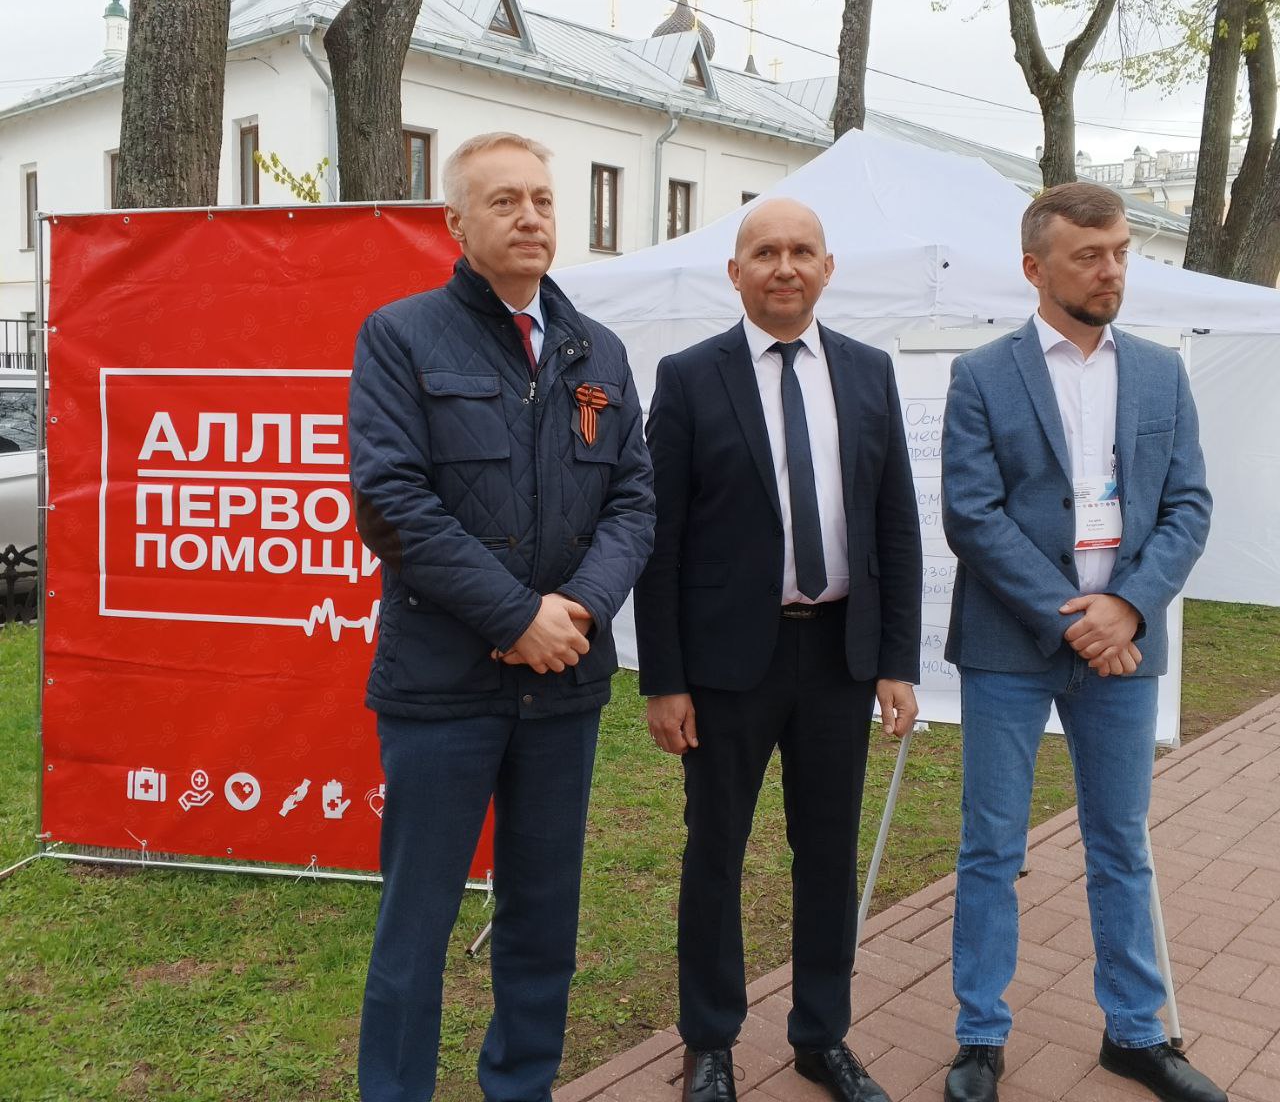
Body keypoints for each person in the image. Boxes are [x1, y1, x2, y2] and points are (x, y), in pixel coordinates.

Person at [348, 132, 655, 1102]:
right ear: (457, 223)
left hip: (562, 688)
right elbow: (392, 502)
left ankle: (521, 1086)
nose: (530, 216)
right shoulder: (400, 336)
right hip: (443, 688)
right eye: (504, 201)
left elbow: (633, 500)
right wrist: (516, 615)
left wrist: (580, 607)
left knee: (542, 919)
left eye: (542, 200)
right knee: (416, 923)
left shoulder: (597, 351)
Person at [635, 197, 923, 1102]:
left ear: (828, 268)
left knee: (828, 855)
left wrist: (897, 660)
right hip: (727, 668)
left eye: (802, 251)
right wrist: (664, 679)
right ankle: (709, 1042)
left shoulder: (870, 372)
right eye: (765, 252)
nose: (785, 267)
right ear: (736, 273)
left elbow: (895, 524)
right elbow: (659, 539)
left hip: (840, 657)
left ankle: (821, 1037)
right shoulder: (689, 377)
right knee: (715, 851)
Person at [940, 183, 1222, 1102]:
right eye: (1089, 256)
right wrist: (1079, 619)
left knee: (1121, 843)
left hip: (1125, 651)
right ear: (1036, 267)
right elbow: (973, 516)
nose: (1111, 271)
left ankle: (1136, 1033)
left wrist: (1128, 609)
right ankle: (980, 1036)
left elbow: (1188, 506)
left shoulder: (1160, 373)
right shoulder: (983, 374)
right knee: (991, 845)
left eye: (1121, 253)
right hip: (1011, 647)